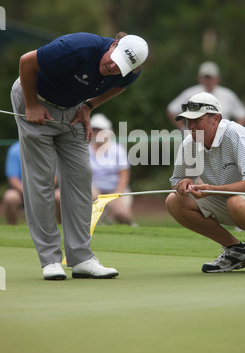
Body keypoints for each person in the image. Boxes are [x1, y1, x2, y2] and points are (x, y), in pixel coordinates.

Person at [10, 31, 148, 280]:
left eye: (121, 67)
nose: (113, 67)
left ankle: (81, 258)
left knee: (81, 179)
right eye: (114, 59)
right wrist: (31, 105)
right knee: (41, 180)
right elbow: (26, 61)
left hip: (73, 109)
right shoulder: (77, 47)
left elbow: (119, 87)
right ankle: (50, 260)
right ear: (113, 44)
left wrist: (89, 106)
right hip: (34, 98)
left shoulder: (131, 72)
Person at [166, 92, 245, 273]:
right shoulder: (190, 143)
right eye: (188, 121)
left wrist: (212, 189)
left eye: (197, 120)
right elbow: (176, 182)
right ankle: (236, 251)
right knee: (174, 201)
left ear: (215, 119)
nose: (191, 126)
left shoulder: (235, 134)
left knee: (236, 202)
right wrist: (184, 182)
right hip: (233, 199)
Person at [166, 61, 245, 130]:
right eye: (206, 77)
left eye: (211, 77)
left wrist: (235, 132)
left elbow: (242, 114)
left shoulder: (227, 94)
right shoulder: (190, 93)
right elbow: (172, 109)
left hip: (222, 138)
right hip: (197, 138)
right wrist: (184, 130)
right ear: (199, 78)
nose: (208, 80)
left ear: (218, 78)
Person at [89, 113, 136, 226]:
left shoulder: (117, 149)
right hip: (94, 191)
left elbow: (124, 175)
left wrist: (116, 196)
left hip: (117, 190)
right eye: (94, 130)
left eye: (100, 130)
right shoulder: (85, 150)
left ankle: (133, 228)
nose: (97, 133)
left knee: (122, 213)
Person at [2, 141, 61, 225]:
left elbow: (56, 176)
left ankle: (62, 227)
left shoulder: (51, 148)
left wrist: (44, 190)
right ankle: (12, 226)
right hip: (22, 190)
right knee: (10, 197)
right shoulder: (14, 150)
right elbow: (13, 178)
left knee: (59, 196)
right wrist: (28, 191)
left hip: (48, 189)